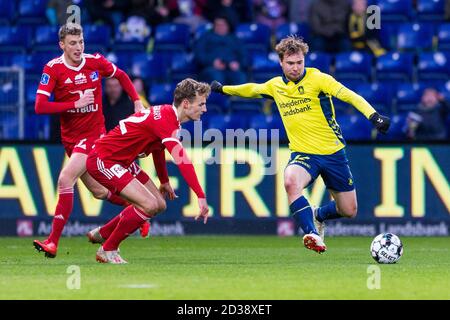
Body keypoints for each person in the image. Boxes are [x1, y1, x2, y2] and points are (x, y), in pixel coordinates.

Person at [210, 36, 390, 253]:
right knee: (290, 181)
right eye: (290, 63)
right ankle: (311, 232)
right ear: (281, 63)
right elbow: (251, 89)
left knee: (348, 210)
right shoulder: (275, 86)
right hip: (304, 154)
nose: (295, 68)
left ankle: (318, 215)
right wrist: (223, 89)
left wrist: (374, 116)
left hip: (333, 153)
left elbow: (350, 96)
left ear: (304, 60)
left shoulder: (319, 79)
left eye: (299, 63)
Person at [33, 23, 147, 259]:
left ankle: (52, 242)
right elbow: (40, 106)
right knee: (100, 192)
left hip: (94, 136)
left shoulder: (95, 62)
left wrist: (136, 101)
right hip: (71, 141)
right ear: (62, 45)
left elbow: (122, 75)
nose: (78, 47)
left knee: (65, 179)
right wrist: (74, 104)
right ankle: (136, 209)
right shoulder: (53, 69)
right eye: (73, 43)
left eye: (81, 42)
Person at [85, 78, 210, 264]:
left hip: (122, 161)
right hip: (104, 159)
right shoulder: (168, 120)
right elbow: (182, 160)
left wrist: (164, 180)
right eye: (201, 104)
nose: (204, 109)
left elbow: (157, 149)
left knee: (159, 204)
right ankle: (107, 249)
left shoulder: (167, 116)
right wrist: (200, 195)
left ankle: (103, 233)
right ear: (186, 103)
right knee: (149, 205)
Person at [194, 15, 247, 85]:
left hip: (231, 68)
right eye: (217, 25)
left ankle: (236, 96)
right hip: (212, 68)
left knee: (240, 77)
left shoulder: (235, 39)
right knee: (217, 78)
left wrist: (238, 64)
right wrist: (212, 62)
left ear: (227, 26)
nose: (220, 27)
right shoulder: (205, 38)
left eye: (222, 25)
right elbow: (199, 55)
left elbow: (245, 55)